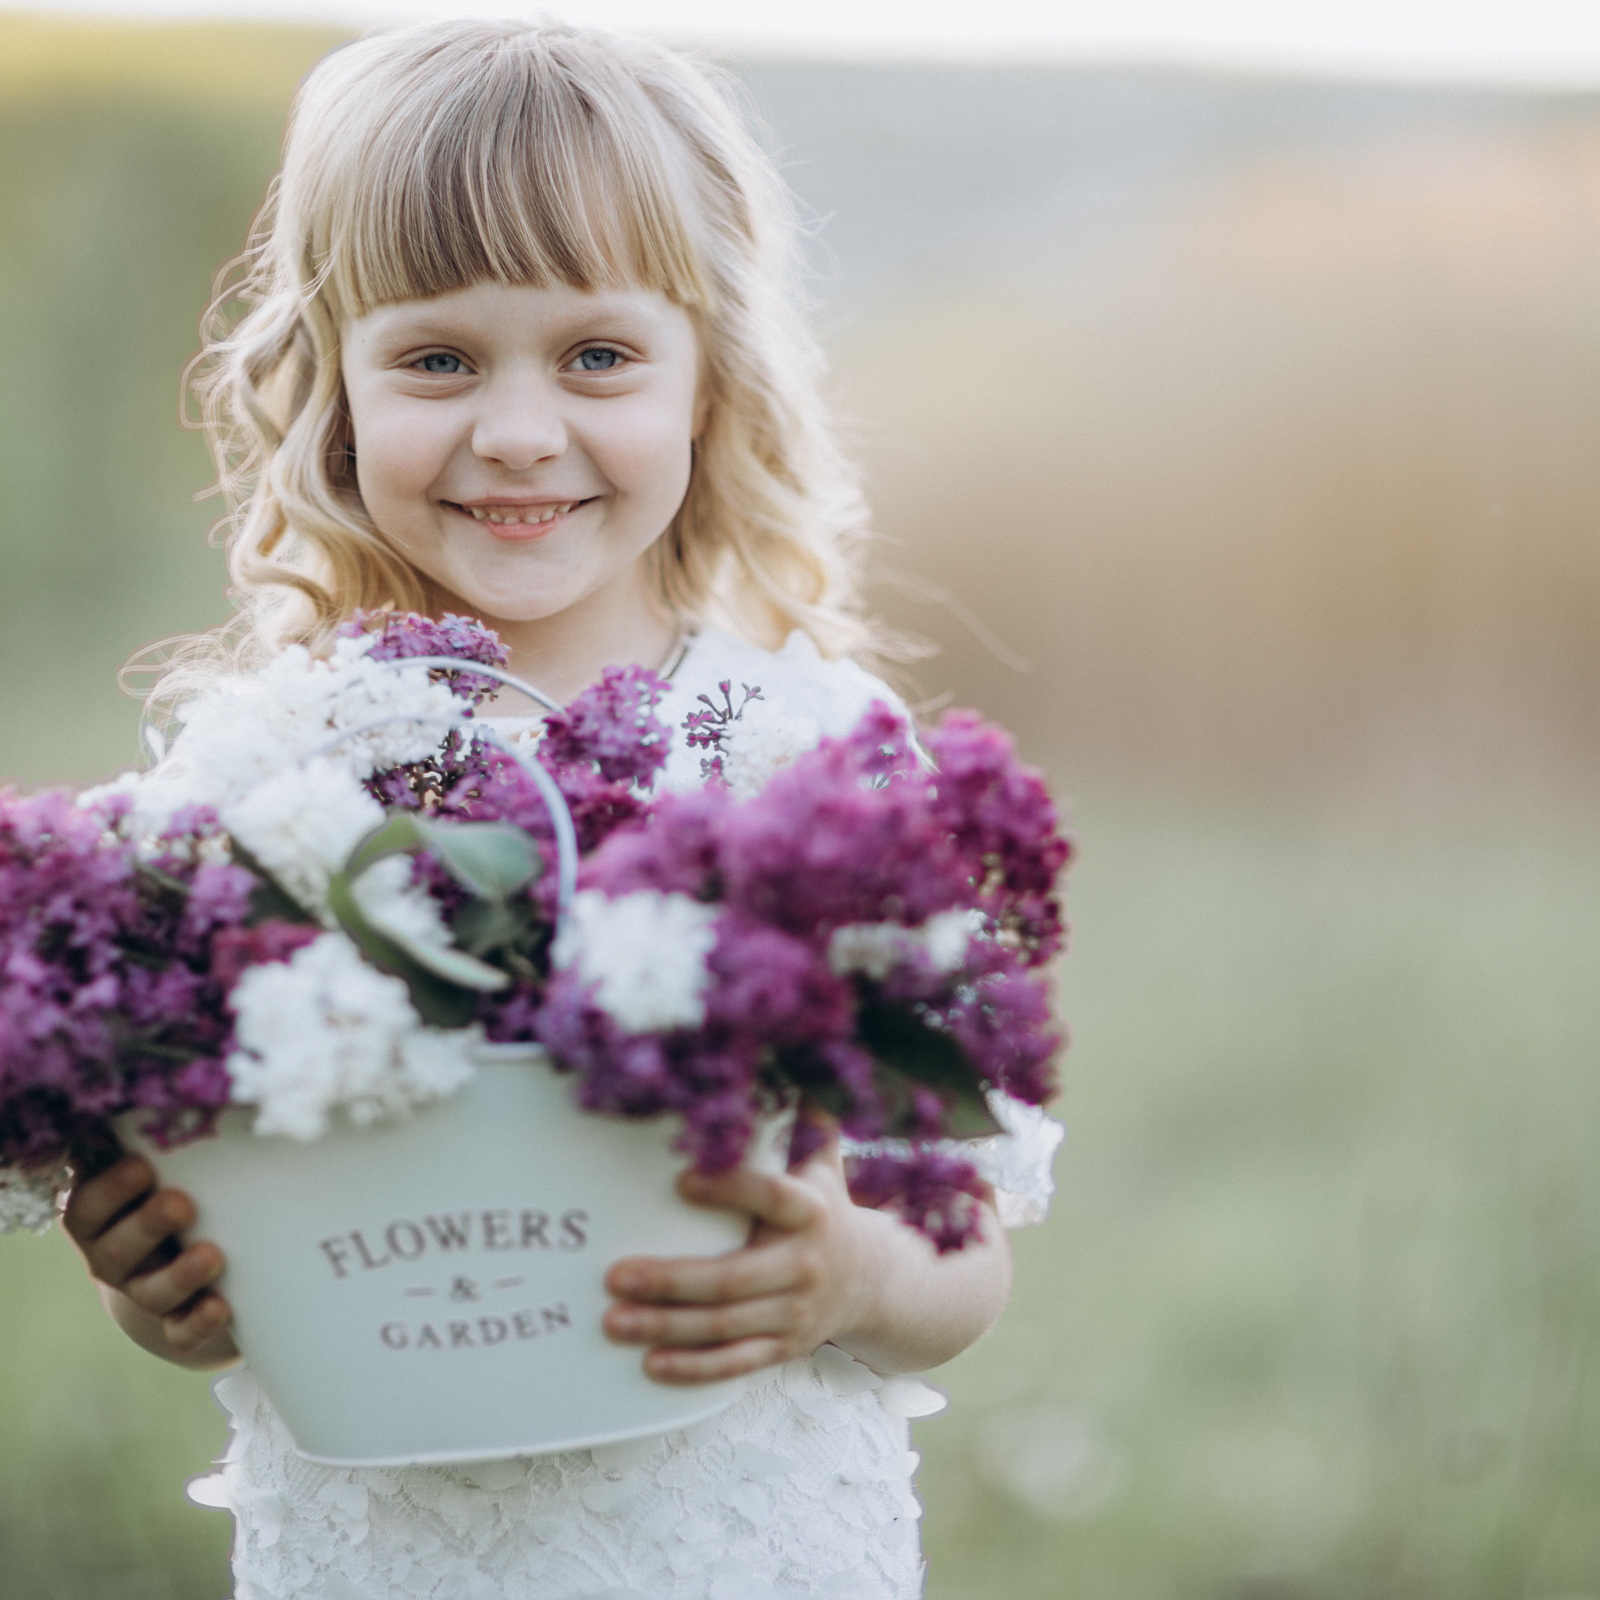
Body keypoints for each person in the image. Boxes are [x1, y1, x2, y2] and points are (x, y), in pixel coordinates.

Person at [61, 21, 1061, 1598]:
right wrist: (154, 1288)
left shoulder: (812, 757)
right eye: (439, 357)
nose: (519, 430)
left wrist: (850, 1271)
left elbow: (967, 1247)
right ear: (330, 385)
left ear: (707, 377)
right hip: (386, 1555)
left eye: (597, 356)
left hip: (746, 1545)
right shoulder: (264, 776)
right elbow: (221, 1239)